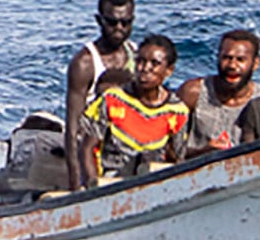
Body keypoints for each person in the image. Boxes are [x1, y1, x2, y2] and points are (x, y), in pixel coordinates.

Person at [80, 33, 190, 184]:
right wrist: (93, 186)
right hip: (109, 183)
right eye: (140, 61)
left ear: (169, 70)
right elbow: (87, 148)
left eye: (155, 64)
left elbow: (177, 158)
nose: (145, 69)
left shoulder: (176, 112)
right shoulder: (113, 100)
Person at [62, 0, 138, 183]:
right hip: (91, 149)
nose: (119, 28)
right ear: (99, 21)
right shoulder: (85, 63)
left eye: (125, 22)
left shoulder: (137, 56)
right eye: (112, 22)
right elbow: (72, 129)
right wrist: (75, 186)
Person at [178, 29, 260, 155]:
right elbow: (169, 149)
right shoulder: (193, 93)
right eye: (226, 58)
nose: (232, 65)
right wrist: (204, 152)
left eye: (240, 60)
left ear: (255, 63)